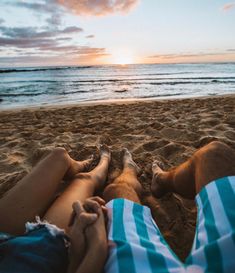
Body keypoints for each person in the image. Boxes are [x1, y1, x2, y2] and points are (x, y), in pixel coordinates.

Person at [0, 141, 234, 272]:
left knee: (60, 156)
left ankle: (101, 165)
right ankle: (111, 166)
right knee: (105, 187)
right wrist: (93, 253)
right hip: (39, 253)